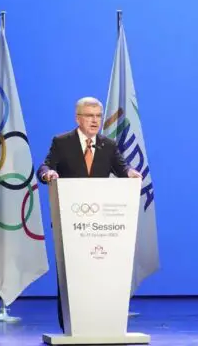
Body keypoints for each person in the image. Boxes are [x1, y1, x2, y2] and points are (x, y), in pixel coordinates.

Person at [38, 96, 142, 331]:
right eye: (89, 116)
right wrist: (49, 175)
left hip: (101, 225)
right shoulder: (62, 142)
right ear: (78, 118)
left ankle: (100, 324)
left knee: (100, 273)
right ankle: (70, 327)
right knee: (70, 277)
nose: (95, 121)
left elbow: (122, 167)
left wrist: (130, 173)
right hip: (70, 223)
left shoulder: (108, 145)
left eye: (98, 116)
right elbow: (44, 167)